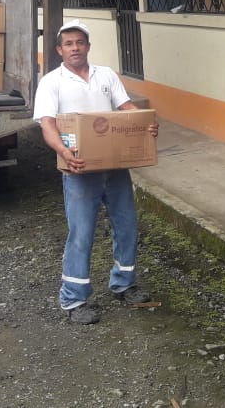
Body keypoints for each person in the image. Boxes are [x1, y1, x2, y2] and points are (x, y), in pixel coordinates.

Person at [34, 20, 158, 325]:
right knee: (82, 233)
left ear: (88, 46)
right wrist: (63, 152)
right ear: (59, 50)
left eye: (80, 42)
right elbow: (47, 124)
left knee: (126, 226)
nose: (75, 48)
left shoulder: (106, 75)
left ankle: (124, 283)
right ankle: (74, 298)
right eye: (68, 44)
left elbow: (126, 107)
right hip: (79, 169)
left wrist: (145, 123)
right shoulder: (51, 82)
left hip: (114, 167)